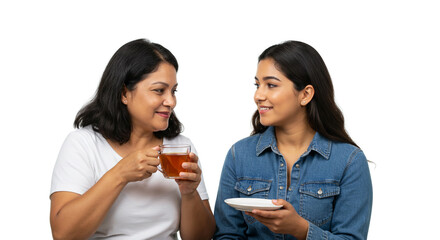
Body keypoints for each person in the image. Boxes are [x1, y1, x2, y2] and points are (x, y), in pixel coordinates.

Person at [50, 39, 215, 240]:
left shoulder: (180, 147)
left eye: (173, 91)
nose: (171, 101)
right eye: (159, 90)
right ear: (124, 93)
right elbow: (63, 234)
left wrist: (190, 193)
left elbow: (203, 238)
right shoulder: (82, 144)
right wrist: (120, 174)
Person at [214, 41, 373, 240]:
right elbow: (227, 235)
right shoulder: (240, 155)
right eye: (257, 85)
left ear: (305, 94)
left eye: (271, 85)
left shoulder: (349, 161)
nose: (258, 95)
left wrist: (301, 229)